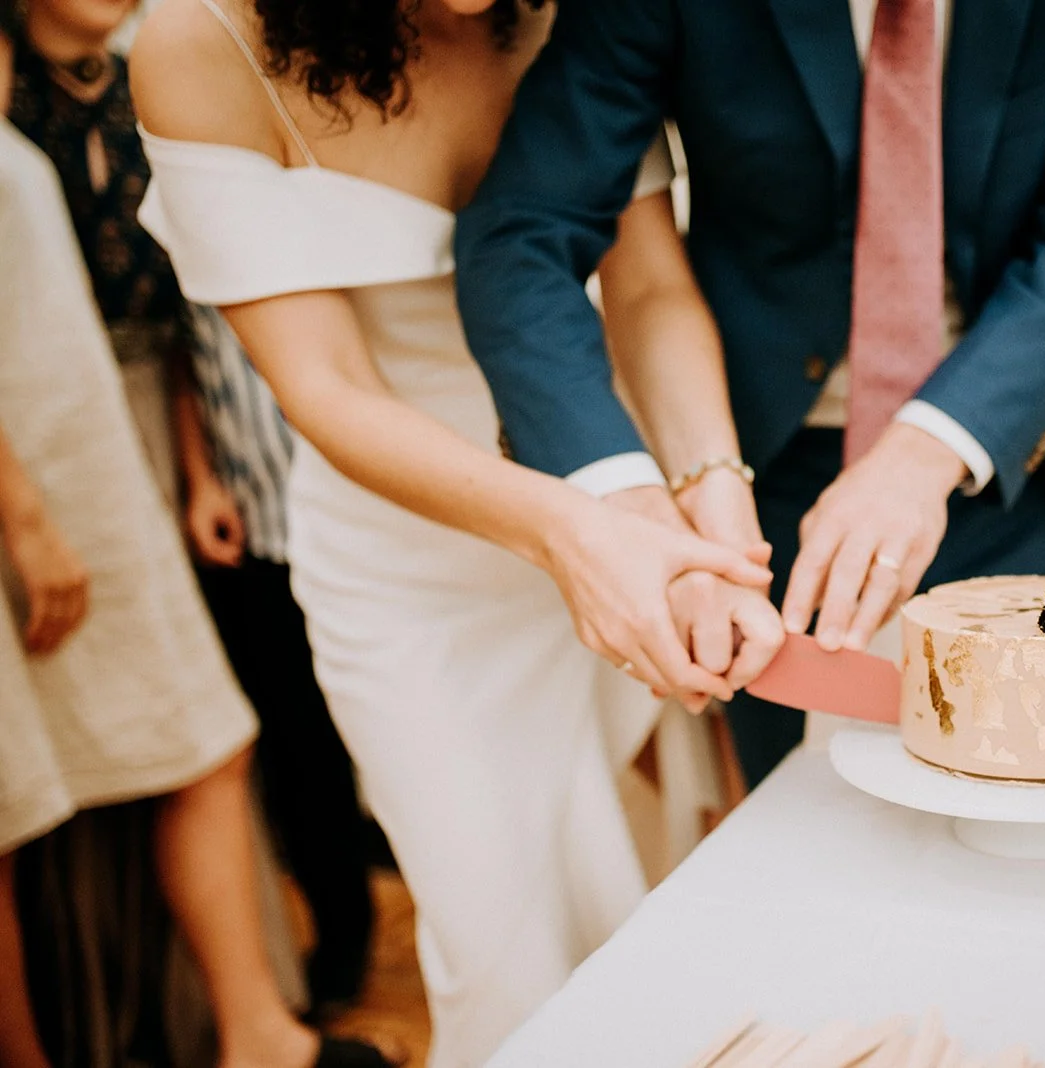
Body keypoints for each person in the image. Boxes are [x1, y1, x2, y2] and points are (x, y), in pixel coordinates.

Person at [128, 0, 783, 1061]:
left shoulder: (578, 9)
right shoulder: (200, 39)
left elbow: (650, 288)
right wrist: (567, 531)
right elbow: (326, 388)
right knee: (504, 959)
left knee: (673, 922)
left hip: (626, 507)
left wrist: (709, 499)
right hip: (414, 578)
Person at [454, 0, 1045, 789]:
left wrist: (926, 450)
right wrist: (627, 505)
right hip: (758, 498)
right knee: (794, 815)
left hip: (1010, 462)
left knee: (1037, 788)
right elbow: (523, 236)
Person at [5, 0, 378, 1018]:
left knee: (246, 705)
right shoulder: (17, 108)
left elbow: (183, 316)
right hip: (56, 415)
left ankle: (304, 956)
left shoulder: (147, 80)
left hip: (180, 422)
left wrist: (200, 466)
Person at [186, 303, 377, 1015]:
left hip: (358, 514)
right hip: (254, 523)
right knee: (299, 752)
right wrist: (200, 475)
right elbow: (187, 358)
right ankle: (344, 932)